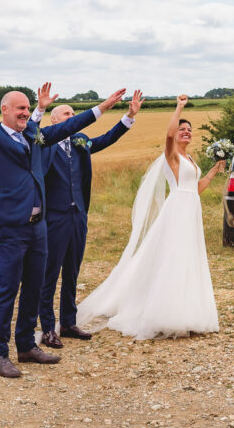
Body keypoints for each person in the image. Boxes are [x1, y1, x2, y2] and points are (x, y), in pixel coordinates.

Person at [0, 80, 125, 378]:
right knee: (8, 289)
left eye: (27, 108)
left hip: (39, 226)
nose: (25, 113)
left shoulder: (35, 136)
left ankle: (25, 345)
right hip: (10, 226)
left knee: (34, 286)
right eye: (20, 108)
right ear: (4, 109)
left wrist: (102, 109)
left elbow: (67, 127)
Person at [75, 94, 225, 340]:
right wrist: (179, 107)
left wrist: (212, 172)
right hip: (177, 210)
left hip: (191, 209)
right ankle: (167, 312)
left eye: (189, 129)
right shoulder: (173, 155)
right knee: (174, 257)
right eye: (182, 129)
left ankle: (189, 309)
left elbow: (195, 189)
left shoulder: (190, 160)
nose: (186, 132)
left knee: (189, 256)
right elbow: (168, 137)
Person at [37, 89, 145, 350]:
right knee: (49, 275)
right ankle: (48, 328)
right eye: (67, 113)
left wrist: (128, 117)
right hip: (54, 218)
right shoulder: (43, 143)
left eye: (74, 113)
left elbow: (106, 139)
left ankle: (69, 322)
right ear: (54, 120)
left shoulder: (81, 141)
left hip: (77, 216)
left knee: (72, 271)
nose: (72, 117)